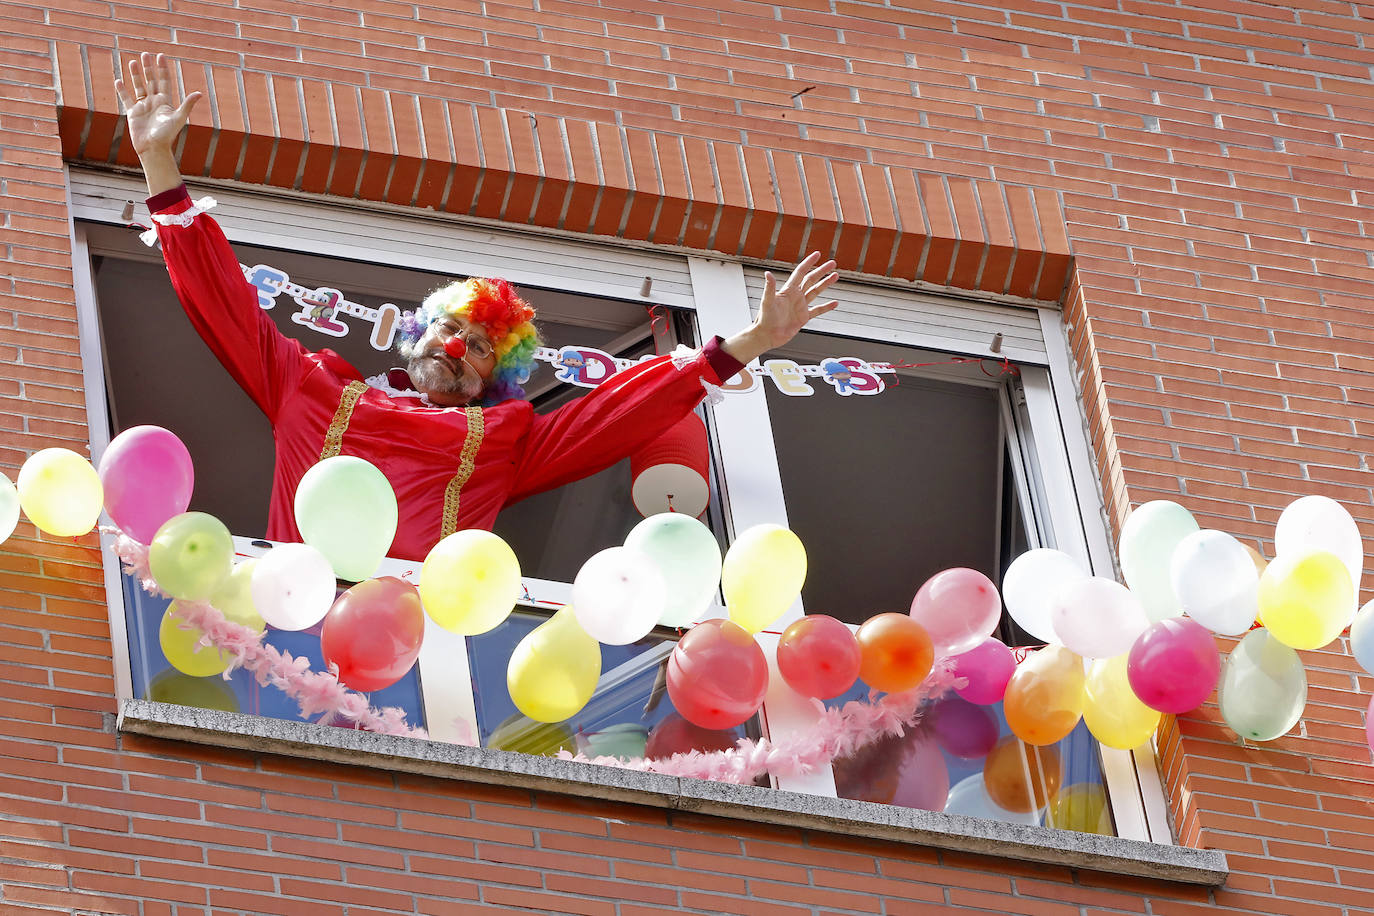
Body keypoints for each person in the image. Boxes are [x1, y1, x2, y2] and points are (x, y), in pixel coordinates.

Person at [116, 52, 840, 564]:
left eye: (484, 347)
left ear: (497, 378)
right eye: (454, 329)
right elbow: (226, 308)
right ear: (422, 335)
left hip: (419, 649)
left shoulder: (502, 439)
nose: (460, 347)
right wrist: (160, 167)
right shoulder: (310, 388)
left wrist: (748, 341)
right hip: (294, 615)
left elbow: (611, 416)